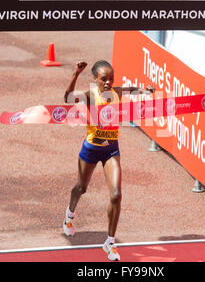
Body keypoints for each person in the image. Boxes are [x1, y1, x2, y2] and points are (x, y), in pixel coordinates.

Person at [62, 60, 155, 261]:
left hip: (111, 151)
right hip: (90, 150)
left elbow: (132, 90)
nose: (108, 82)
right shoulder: (90, 96)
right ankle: (69, 216)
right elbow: (68, 98)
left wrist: (145, 91)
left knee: (116, 195)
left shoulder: (116, 93)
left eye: (111, 78)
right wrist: (75, 74)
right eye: (104, 79)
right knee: (81, 188)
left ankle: (110, 242)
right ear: (95, 79)